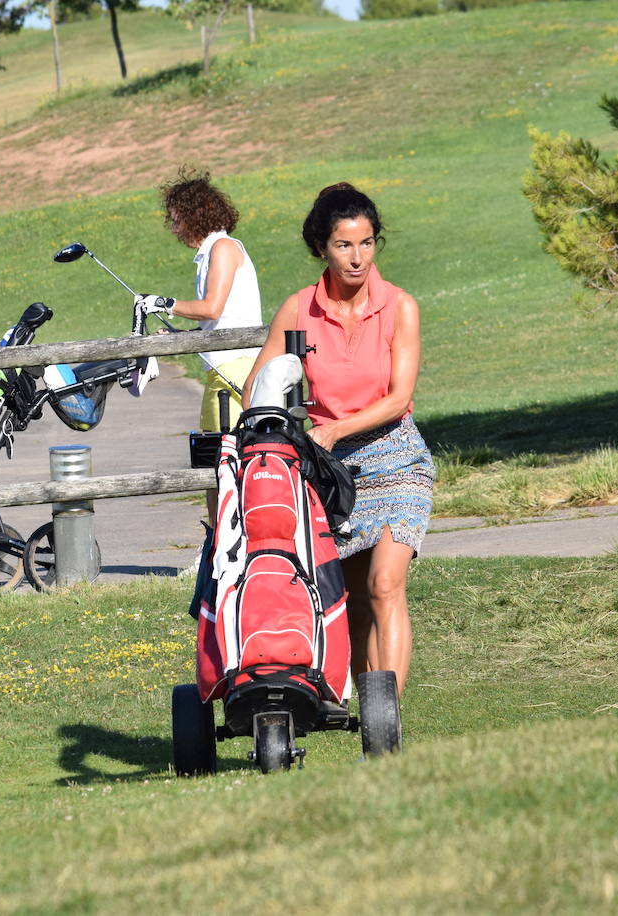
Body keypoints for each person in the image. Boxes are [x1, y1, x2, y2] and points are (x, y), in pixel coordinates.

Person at [243, 182, 434, 694]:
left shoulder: (400, 307)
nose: (357, 258)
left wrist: (333, 429)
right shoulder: (299, 310)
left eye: (367, 243)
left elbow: (398, 398)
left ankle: (386, 718)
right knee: (352, 605)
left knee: (385, 585)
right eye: (344, 245)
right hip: (332, 475)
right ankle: (372, 727)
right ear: (321, 248)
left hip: (397, 459)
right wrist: (275, 427)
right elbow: (255, 387)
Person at [157, 167, 263, 433]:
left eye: (177, 220)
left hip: (238, 367)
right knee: (212, 452)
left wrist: (164, 304)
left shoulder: (223, 248)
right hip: (221, 368)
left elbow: (211, 308)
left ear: (194, 218)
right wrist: (184, 334)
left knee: (231, 456)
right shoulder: (211, 252)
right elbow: (222, 319)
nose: (174, 229)